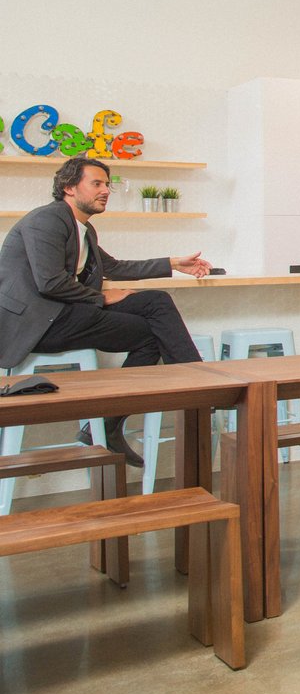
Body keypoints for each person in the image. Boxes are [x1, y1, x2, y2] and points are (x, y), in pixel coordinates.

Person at [0, 156, 210, 467]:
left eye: (107, 184)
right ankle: (201, 387)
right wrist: (100, 297)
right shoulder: (47, 220)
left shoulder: (82, 228)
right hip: (38, 324)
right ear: (69, 188)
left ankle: (187, 391)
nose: (105, 191)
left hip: (61, 314)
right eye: (96, 183)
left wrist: (173, 263)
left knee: (155, 307)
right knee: (151, 326)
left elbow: (113, 267)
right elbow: (49, 282)